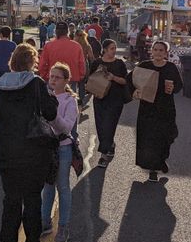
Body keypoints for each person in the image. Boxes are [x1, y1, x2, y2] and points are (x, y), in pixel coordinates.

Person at [0, 43, 58, 242]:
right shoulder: (37, 84)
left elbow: (2, 110)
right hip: (33, 148)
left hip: (7, 147)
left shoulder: (0, 84)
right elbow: (50, 112)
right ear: (32, 62)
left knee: (11, 200)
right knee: (32, 200)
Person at [133, 41, 182, 181]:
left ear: (166, 53)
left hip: (166, 108)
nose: (158, 52)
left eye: (161, 50)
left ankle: (162, 159)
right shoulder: (144, 66)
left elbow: (179, 85)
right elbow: (132, 80)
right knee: (149, 138)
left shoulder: (171, 67)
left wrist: (173, 88)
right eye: (156, 49)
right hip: (147, 108)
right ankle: (153, 169)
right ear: (151, 51)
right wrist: (135, 91)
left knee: (167, 136)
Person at [41, 63, 78, 242]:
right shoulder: (45, 97)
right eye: (51, 76)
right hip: (46, 148)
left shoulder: (70, 100)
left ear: (66, 80)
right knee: (47, 187)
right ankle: (44, 221)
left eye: (57, 77)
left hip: (62, 147)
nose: (53, 80)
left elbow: (66, 127)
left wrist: (51, 115)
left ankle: (63, 226)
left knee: (62, 187)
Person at [91, 39, 129, 168]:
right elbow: (90, 80)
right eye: (112, 48)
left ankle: (103, 155)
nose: (114, 51)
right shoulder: (96, 63)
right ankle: (110, 144)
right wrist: (91, 90)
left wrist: (114, 78)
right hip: (99, 99)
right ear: (105, 49)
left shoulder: (119, 64)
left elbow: (125, 81)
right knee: (100, 126)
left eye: (115, 48)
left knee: (109, 125)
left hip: (115, 100)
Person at [39, 22, 86, 89]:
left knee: (52, 98)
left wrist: (44, 75)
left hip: (53, 78)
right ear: (67, 31)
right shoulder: (76, 46)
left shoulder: (48, 45)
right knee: (69, 98)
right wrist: (81, 75)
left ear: (55, 31)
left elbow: (42, 64)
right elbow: (81, 63)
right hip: (71, 78)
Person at [0, 27, 17, 116]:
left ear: (0, 34)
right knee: (8, 90)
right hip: (9, 70)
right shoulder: (13, 45)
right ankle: (6, 108)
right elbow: (15, 59)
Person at [74, 30, 95, 106]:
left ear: (76, 36)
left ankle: (73, 100)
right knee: (82, 84)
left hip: (74, 65)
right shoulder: (87, 45)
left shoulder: (74, 45)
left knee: (73, 83)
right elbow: (91, 57)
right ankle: (81, 100)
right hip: (84, 65)